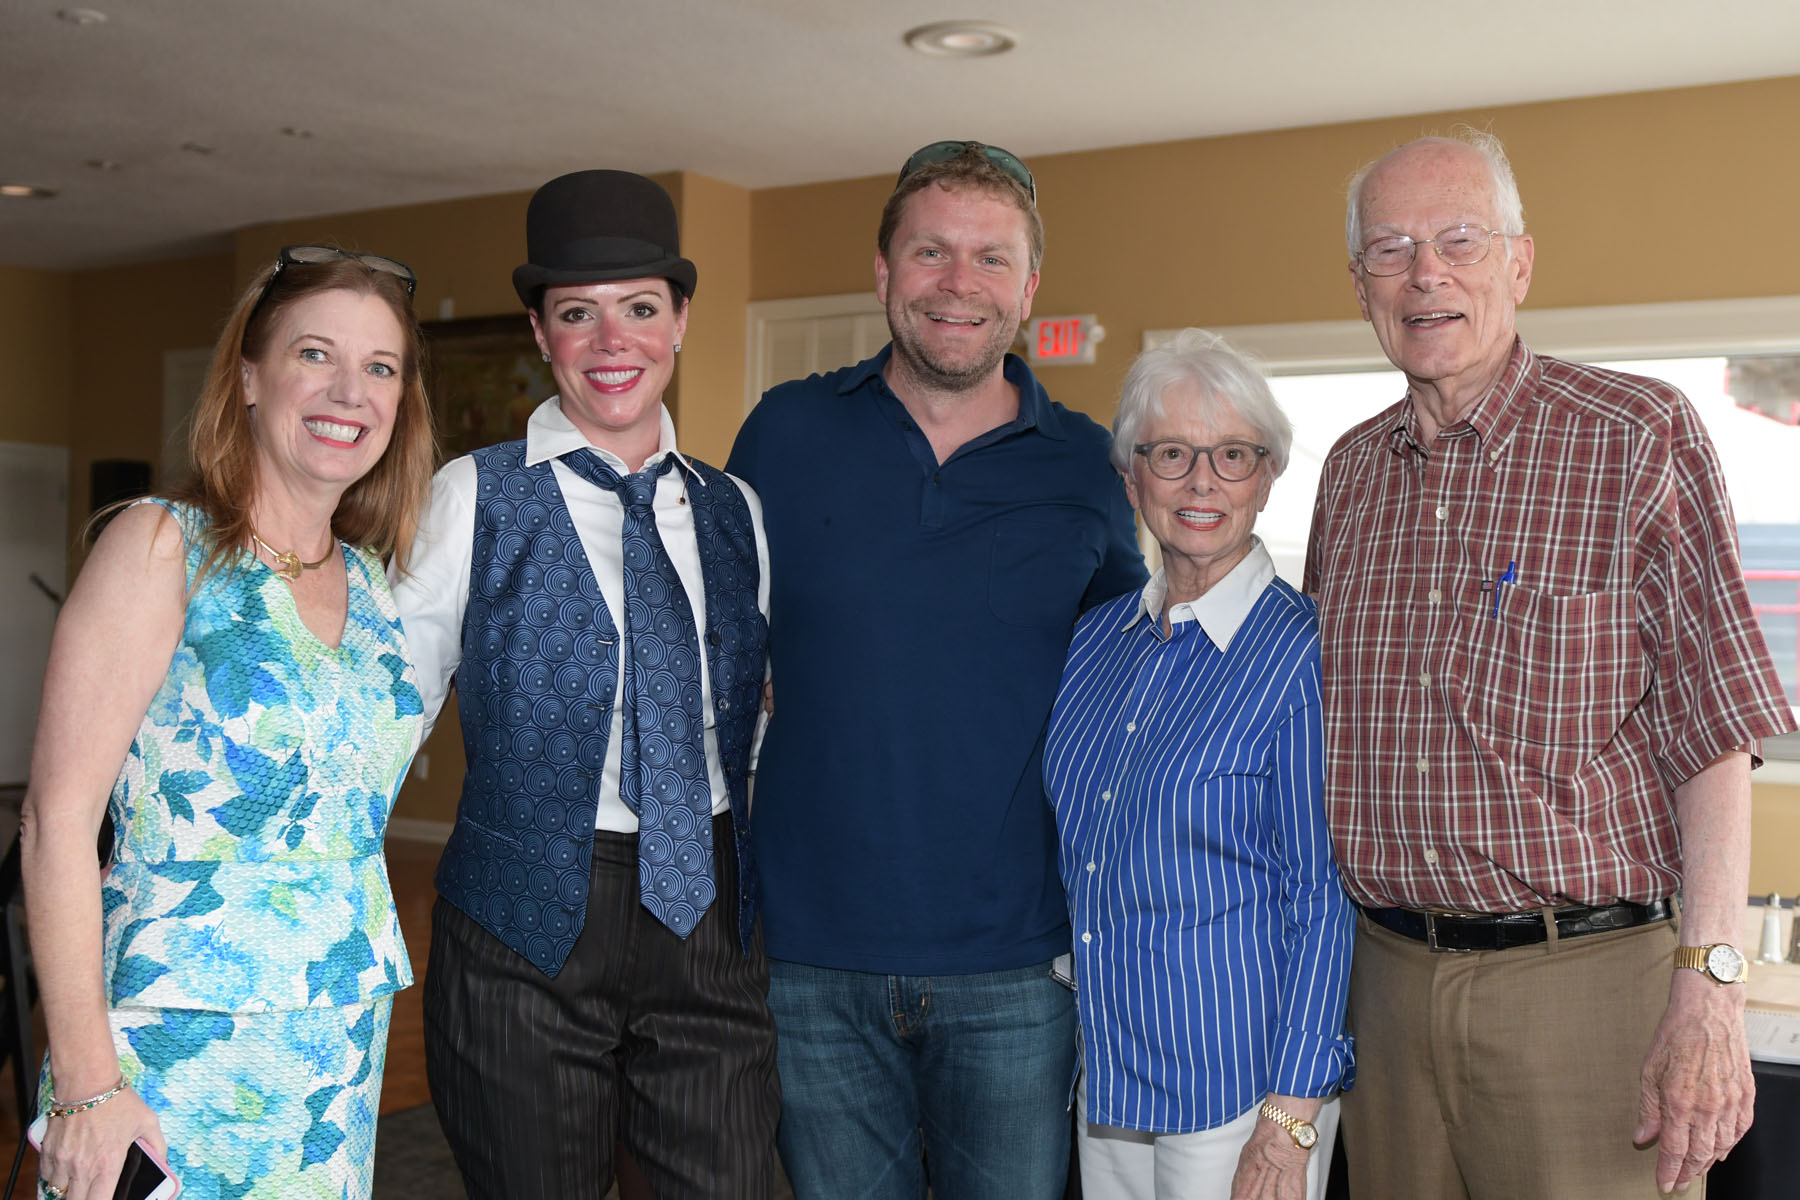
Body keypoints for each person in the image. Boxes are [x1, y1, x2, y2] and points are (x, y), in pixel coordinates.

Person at [1304, 128, 1796, 1199]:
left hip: (1584, 989)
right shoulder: (1346, 479)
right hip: (1381, 991)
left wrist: (1711, 989)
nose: (1425, 272)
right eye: (1389, 250)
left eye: (1459, 239)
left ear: (1519, 263)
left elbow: (1717, 731)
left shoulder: (1637, 436)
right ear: (1359, 286)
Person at [726, 140, 1147, 1200]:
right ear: (883, 272)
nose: (960, 284)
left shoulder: (1090, 467)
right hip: (810, 957)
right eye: (931, 252)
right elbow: (716, 638)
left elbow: (1140, 675)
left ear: (1030, 286)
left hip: (1016, 961)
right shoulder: (785, 431)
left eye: (991, 258)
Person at [391, 169, 777, 1199]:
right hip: (525, 923)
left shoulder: (737, 510)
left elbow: (756, 717)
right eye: (578, 314)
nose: (614, 343)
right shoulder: (472, 497)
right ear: (540, 330)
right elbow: (382, 717)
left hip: (708, 914)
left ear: (682, 319)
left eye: (641, 309)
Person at [21, 244, 435, 1200]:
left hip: (333, 1048)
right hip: (169, 1054)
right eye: (315, 355)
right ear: (249, 376)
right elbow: (56, 826)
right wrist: (87, 1085)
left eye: (380, 368)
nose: (349, 391)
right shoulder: (163, 547)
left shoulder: (373, 587)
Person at [1046, 329, 1353, 1200]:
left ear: (1267, 475)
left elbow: (1322, 896)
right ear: (1131, 474)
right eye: (1173, 454)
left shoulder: (1305, 654)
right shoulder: (1094, 642)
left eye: (1233, 456)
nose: (1203, 482)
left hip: (1239, 1091)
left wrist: (1292, 1118)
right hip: (1104, 1069)